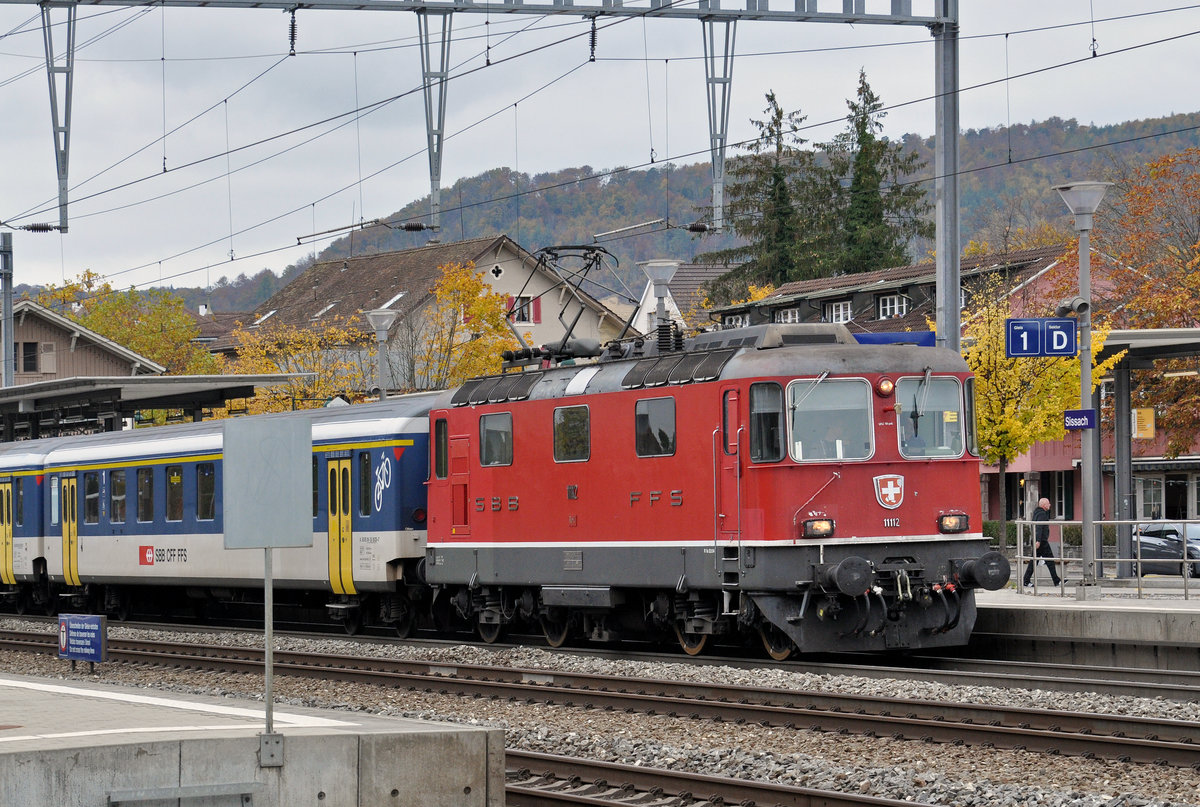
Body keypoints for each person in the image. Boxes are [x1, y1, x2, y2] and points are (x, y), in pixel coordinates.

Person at [1022, 497, 1061, 587]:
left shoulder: (1037, 513)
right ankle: (1056, 581)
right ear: (1044, 505)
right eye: (1048, 503)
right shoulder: (1042, 514)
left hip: (1038, 541)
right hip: (1041, 542)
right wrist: (1038, 540)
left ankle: (1026, 580)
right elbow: (1039, 527)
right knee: (1049, 560)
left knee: (1034, 561)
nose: (1050, 505)